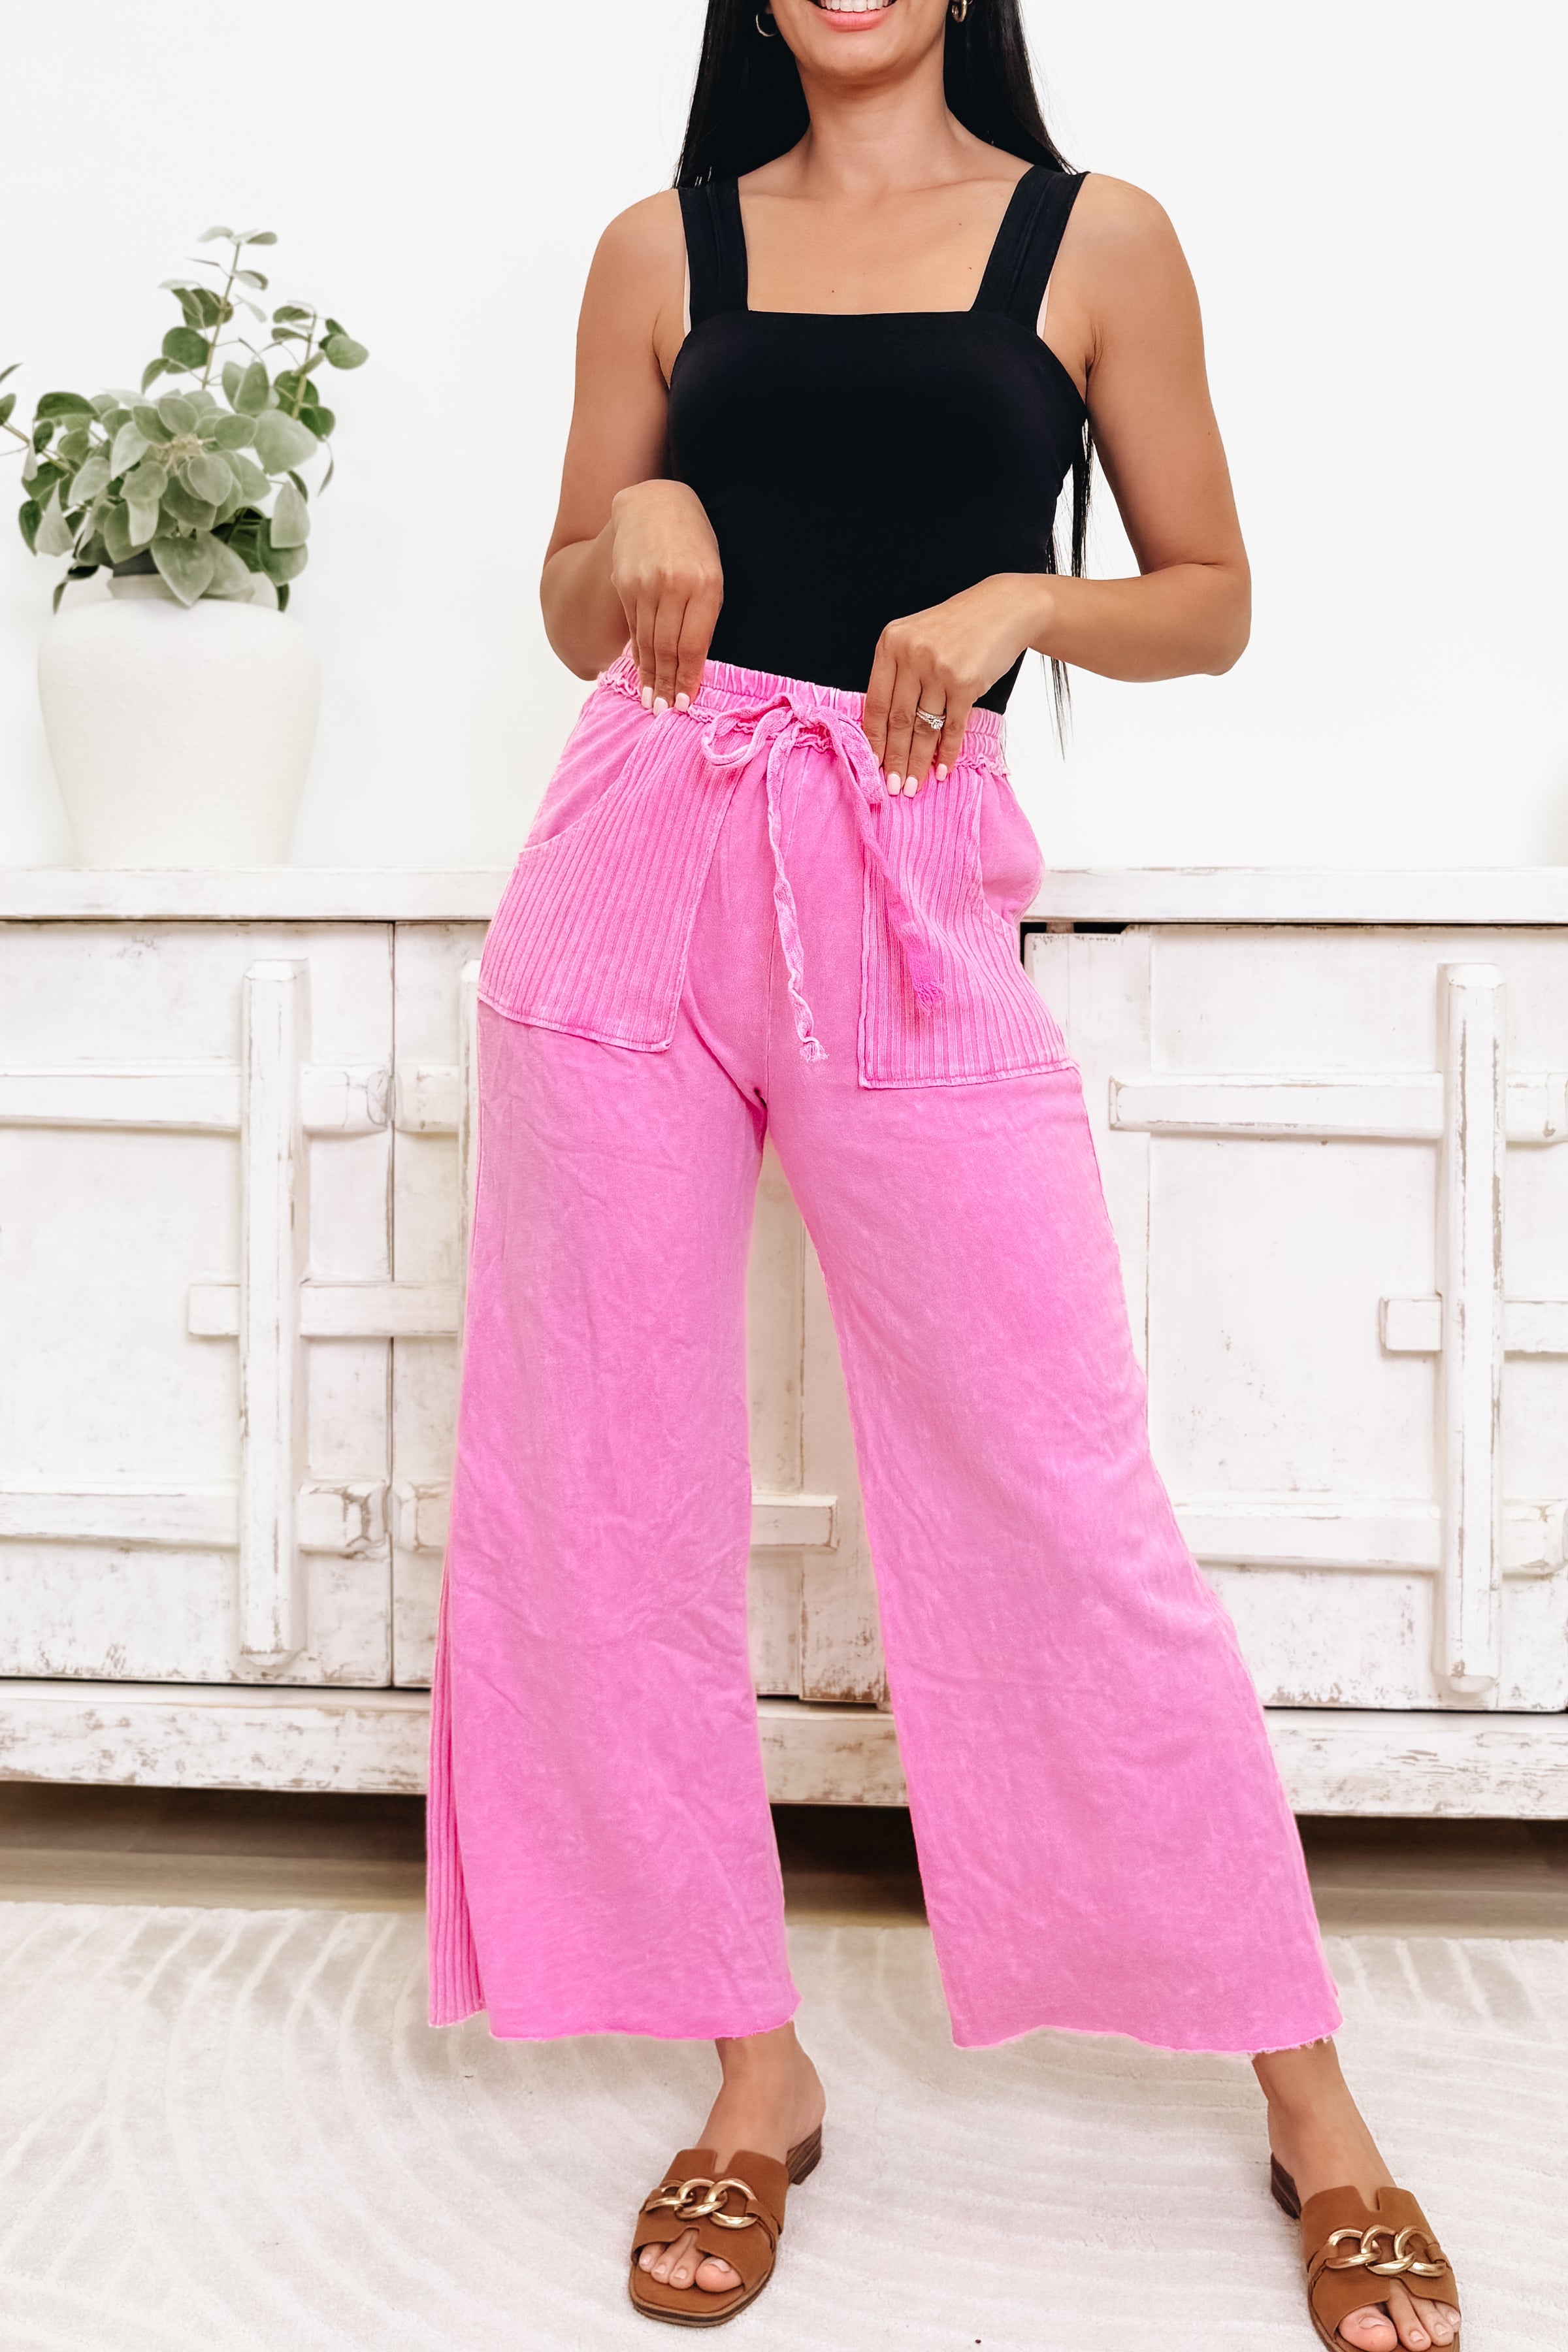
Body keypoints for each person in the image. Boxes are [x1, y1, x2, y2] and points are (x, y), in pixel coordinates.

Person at [426, 2, 1463, 2344]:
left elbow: (1211, 593)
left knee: (1055, 1487)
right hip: (638, 864)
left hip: (904, 883)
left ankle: (1311, 2100)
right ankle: (752, 2070)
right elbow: (574, 602)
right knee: (602, 1488)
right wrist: (634, 526)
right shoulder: (663, 246)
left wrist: (1026, 607)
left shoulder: (1095, 240)